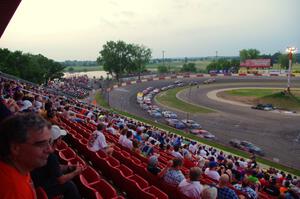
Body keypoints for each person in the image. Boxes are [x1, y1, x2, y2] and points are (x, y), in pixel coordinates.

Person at [0, 113, 52, 198]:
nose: (50, 150)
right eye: (42, 144)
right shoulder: (15, 191)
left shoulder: (21, 167)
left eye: (49, 142)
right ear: (15, 148)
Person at [31, 125, 84, 199]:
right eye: (60, 138)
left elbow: (55, 167)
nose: (61, 140)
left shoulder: (43, 150)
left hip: (37, 182)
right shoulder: (51, 156)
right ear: (58, 140)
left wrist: (69, 168)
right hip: (41, 187)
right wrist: (76, 172)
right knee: (69, 185)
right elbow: (61, 180)